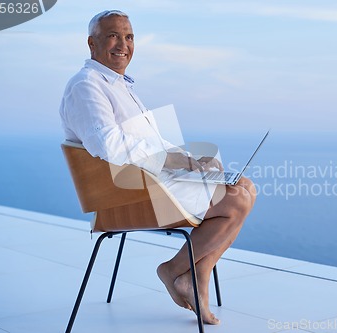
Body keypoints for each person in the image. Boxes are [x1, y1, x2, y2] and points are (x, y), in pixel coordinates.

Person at [59, 10, 256, 325]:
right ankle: (177, 269)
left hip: (149, 182)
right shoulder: (86, 85)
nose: (123, 44)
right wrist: (177, 162)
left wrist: (192, 160)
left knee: (245, 186)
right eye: (112, 35)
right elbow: (107, 145)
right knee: (238, 199)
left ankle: (198, 271)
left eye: (129, 36)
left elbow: (152, 144)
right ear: (91, 43)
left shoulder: (120, 85)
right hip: (125, 196)